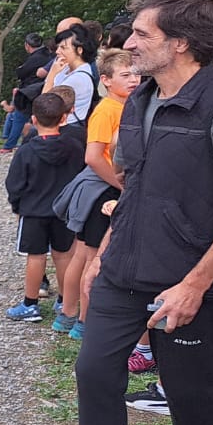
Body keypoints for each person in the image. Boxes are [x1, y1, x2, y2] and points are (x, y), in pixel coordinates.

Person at [60, 0, 213, 425]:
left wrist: (195, 284)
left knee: (188, 387)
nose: (128, 43)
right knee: (94, 370)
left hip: (188, 280)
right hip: (123, 268)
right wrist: (103, 255)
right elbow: (133, 185)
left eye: (141, 33)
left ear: (180, 42)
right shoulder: (139, 100)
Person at [51, 49, 140, 340]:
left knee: (81, 253)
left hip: (103, 187)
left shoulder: (126, 106)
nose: (134, 80)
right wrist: (120, 185)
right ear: (106, 80)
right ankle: (81, 321)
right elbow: (93, 156)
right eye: (125, 75)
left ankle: (68, 314)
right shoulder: (107, 110)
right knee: (90, 257)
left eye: (136, 73)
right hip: (101, 190)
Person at [4, 92, 84, 322]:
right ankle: (64, 300)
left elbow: (15, 183)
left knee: (36, 256)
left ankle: (30, 304)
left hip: (33, 212)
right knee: (64, 256)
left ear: (34, 119)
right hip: (64, 211)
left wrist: (16, 205)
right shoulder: (75, 147)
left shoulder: (27, 151)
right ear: (63, 118)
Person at [0, 32, 52, 152]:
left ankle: (9, 145)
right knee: (42, 118)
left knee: (19, 116)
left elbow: (21, 72)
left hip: (30, 92)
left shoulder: (35, 58)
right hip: (46, 89)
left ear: (27, 45)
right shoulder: (49, 55)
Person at [46, 25, 100, 135]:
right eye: (58, 47)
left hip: (68, 129)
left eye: (63, 48)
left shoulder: (79, 78)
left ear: (79, 50)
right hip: (59, 126)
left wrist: (51, 74)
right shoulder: (65, 68)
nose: (57, 51)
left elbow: (45, 104)